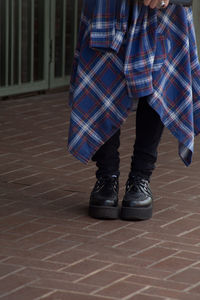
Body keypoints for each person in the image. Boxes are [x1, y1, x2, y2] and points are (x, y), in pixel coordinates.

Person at [68, 0, 200, 221]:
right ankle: (106, 176)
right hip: (107, 7)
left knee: (158, 84)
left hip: (163, 9)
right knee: (103, 85)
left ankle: (141, 178)